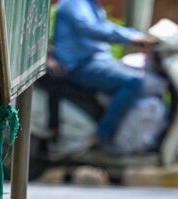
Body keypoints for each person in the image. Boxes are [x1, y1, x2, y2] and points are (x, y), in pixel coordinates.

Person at [51, 0, 157, 150]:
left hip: (96, 62)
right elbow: (91, 29)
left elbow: (104, 26)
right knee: (133, 82)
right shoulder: (74, 3)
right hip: (80, 65)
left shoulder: (90, 4)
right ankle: (101, 137)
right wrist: (130, 38)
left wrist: (135, 35)